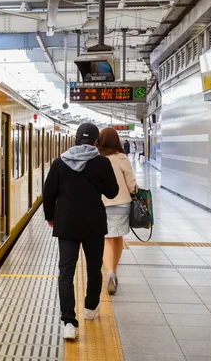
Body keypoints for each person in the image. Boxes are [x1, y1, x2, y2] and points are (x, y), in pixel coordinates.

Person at [43, 123, 119, 340]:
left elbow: (48, 193)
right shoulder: (102, 162)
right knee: (94, 268)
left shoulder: (60, 162)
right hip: (93, 224)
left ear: (76, 139)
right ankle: (90, 308)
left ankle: (68, 322)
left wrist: (50, 217)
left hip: (66, 224)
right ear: (96, 142)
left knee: (66, 272)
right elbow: (112, 193)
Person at [96, 128, 137, 295]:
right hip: (121, 205)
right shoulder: (122, 158)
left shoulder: (96, 159)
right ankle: (114, 272)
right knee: (118, 238)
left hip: (101, 204)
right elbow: (132, 184)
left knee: (106, 240)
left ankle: (109, 272)